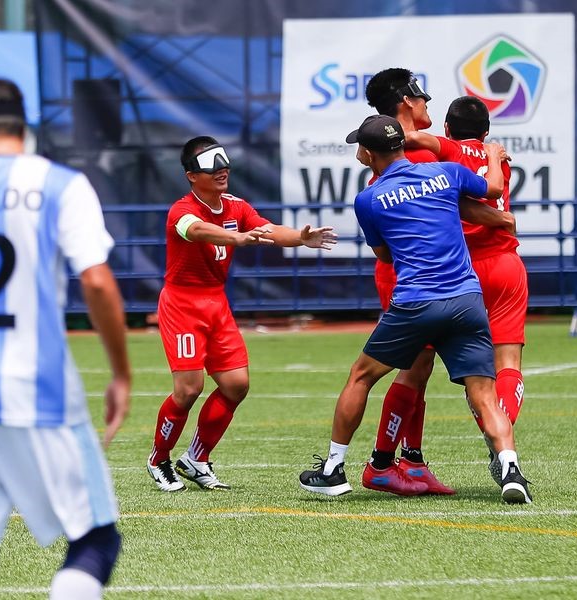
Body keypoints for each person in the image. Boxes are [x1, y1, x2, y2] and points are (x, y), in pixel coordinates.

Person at [0, 75, 131, 599]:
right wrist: (121, 374)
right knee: (96, 540)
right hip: (40, 392)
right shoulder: (62, 184)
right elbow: (97, 281)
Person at [299, 115, 531, 504]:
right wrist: (492, 155)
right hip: (466, 299)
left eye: (359, 146)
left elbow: (384, 255)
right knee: (484, 392)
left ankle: (333, 469)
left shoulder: (368, 199)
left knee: (360, 377)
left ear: (368, 154)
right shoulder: (446, 172)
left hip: (415, 303)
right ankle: (510, 469)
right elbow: (492, 189)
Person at [147, 136, 337, 492]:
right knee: (188, 390)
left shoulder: (236, 206)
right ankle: (159, 459)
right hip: (182, 305)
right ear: (191, 176)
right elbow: (196, 230)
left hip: (216, 303)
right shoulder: (181, 210)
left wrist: (301, 237)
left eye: (224, 163)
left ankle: (196, 458)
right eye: (211, 166)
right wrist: (236, 238)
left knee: (236, 385)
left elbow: (268, 229)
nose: (222, 170)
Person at [360, 69, 515, 496]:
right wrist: (499, 218)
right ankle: (383, 462)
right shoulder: (415, 152)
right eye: (421, 96)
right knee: (412, 369)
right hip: (411, 272)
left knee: (420, 368)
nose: (427, 102)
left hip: (417, 271)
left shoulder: (399, 146)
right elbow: (457, 204)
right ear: (406, 102)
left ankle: (410, 461)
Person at [405, 95, 527, 484]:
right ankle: (504, 450)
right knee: (509, 364)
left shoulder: (449, 150)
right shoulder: (499, 159)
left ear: (446, 128)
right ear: (486, 132)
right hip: (506, 265)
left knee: (472, 373)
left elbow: (411, 138)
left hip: (459, 271)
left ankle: (495, 444)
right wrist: (492, 152)